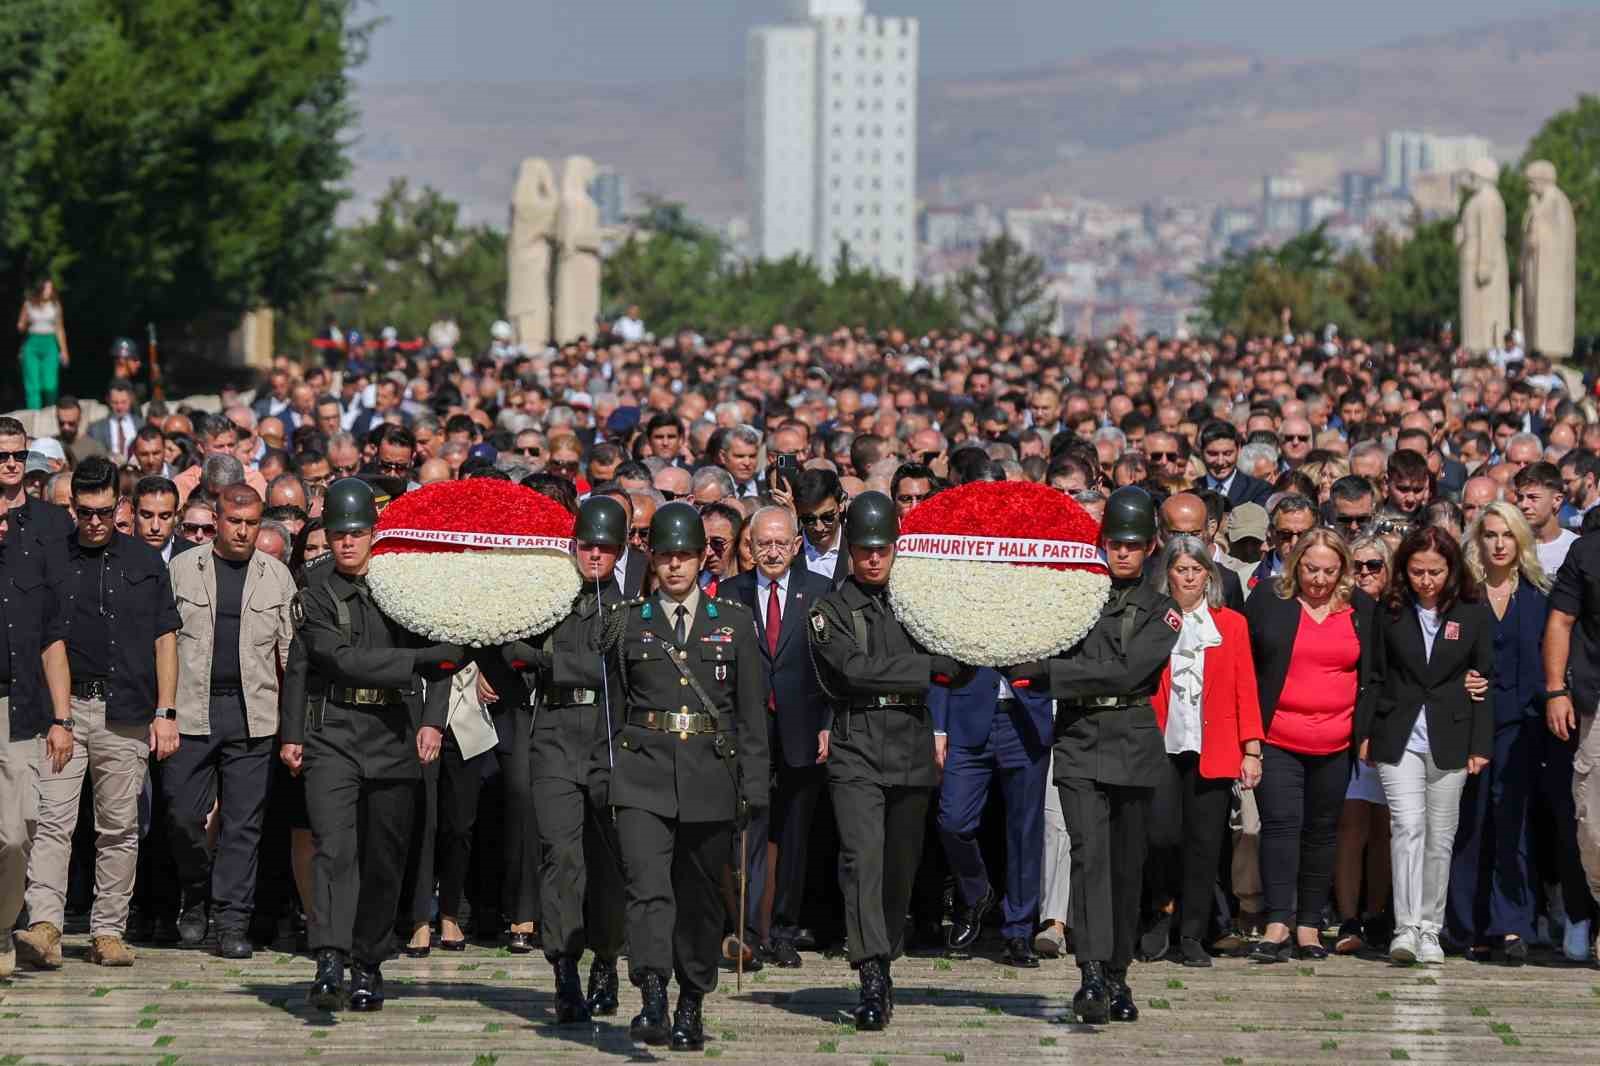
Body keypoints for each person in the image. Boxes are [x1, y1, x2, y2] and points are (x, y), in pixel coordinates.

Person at [1005, 486, 1181, 1024]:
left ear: (1151, 546)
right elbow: (1039, 647)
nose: (1122, 552)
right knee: (1088, 858)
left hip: (1130, 737)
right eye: (1114, 542)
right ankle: (1092, 977)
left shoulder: (1164, 609)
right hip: (1081, 739)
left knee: (1127, 867)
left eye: (1132, 543)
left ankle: (1120, 972)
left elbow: (1131, 673)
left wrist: (1055, 678)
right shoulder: (1077, 599)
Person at [280, 478, 457, 1011]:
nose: (347, 543)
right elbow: (314, 664)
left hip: (394, 731)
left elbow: (444, 655)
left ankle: (368, 962)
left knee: (385, 856)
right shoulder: (314, 591)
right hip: (333, 730)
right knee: (334, 847)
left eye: (357, 533)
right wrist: (293, 733)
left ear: (375, 534)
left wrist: (433, 719)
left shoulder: (401, 587)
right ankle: (330, 956)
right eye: (337, 534)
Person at [598, 501, 767, 1050]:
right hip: (643, 771)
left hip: (710, 774)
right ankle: (650, 990)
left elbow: (749, 715)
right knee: (647, 888)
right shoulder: (628, 621)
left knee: (698, 899)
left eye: (685, 557)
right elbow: (615, 704)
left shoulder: (734, 625)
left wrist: (755, 786)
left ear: (702, 560)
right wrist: (611, 772)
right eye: (666, 556)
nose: (674, 567)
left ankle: (691, 999)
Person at [14, 456, 181, 970]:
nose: (94, 522)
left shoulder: (145, 561)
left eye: (104, 511)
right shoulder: (51, 560)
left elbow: (165, 639)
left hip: (127, 709)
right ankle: (45, 925)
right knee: (52, 820)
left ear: (119, 506)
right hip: (65, 711)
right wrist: (59, 718)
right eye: (84, 512)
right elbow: (45, 640)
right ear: (72, 509)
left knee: (118, 826)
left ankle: (109, 931)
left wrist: (166, 711)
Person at [807, 490, 962, 1029]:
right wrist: (925, 669)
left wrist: (945, 662)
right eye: (865, 549)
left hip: (911, 742)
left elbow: (959, 664)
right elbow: (851, 670)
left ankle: (886, 950)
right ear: (850, 550)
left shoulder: (916, 602)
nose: (874, 558)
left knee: (899, 865)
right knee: (861, 859)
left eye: (884, 549)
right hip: (857, 743)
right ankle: (870, 969)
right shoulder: (830, 609)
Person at [498, 497, 629, 1023]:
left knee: (612, 862)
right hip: (552, 733)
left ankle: (606, 958)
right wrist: (531, 661)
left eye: (603, 547)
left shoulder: (625, 609)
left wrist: (546, 661)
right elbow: (508, 647)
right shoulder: (549, 600)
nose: (593, 554)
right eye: (585, 545)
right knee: (561, 858)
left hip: (608, 738)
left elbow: (602, 667)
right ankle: (565, 969)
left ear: (619, 551)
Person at [164, 484, 296, 958]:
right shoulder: (182, 569)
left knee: (244, 823)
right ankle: (196, 890)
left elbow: (290, 655)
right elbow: (160, 647)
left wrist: (293, 725)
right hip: (190, 707)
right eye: (234, 521)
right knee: (181, 815)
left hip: (253, 714)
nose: (242, 531)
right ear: (216, 520)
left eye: (251, 522)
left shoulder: (277, 577)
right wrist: (162, 713)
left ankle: (232, 921)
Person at [1244, 528, 1378, 962]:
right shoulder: (1268, 600)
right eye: (1310, 569)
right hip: (1278, 736)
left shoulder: (1362, 608)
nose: (1319, 580)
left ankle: (1309, 925)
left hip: (1336, 741)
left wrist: (1365, 733)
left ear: (1342, 571)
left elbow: (1375, 676)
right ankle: (1278, 920)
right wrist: (1248, 741)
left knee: (1322, 833)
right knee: (1281, 825)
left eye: (1329, 571)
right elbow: (1245, 670)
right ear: (1296, 562)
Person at [1362, 526, 1493, 965]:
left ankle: (1431, 928)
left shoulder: (1472, 611)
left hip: (1452, 735)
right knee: (1407, 827)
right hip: (1397, 734)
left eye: (1435, 571)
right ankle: (1405, 926)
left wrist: (1480, 744)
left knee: (1440, 836)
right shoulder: (1391, 609)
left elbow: (1484, 679)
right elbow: (1374, 674)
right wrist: (1363, 733)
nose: (1426, 580)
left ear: (1452, 569)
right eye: (1417, 571)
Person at [722, 506, 835, 969]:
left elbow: (833, 665)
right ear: (749, 546)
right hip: (749, 734)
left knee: (794, 836)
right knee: (748, 832)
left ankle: (785, 931)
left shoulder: (820, 591)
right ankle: (747, 933)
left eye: (780, 543)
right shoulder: (730, 594)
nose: (771, 552)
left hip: (802, 731)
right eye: (762, 543)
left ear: (794, 546)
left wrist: (828, 722)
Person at [1145, 536, 1263, 968]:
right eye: (1181, 569)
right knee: (1161, 835)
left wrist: (1252, 750)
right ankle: (1162, 911)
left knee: (1204, 843)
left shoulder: (1230, 624)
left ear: (1208, 576)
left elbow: (1245, 687)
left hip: (1215, 745)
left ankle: (1193, 932)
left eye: (1197, 569)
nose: (1190, 576)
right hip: (1162, 745)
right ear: (1169, 575)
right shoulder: (1153, 619)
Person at [1449, 503, 1549, 963]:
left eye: (1508, 535)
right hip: (1470, 722)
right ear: (1478, 540)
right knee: (1468, 823)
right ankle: (1465, 924)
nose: (1499, 543)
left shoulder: (1537, 594)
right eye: (1490, 534)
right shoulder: (1462, 596)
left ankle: (1511, 924)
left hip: (1522, 723)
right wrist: (1460, 679)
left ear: (1520, 541)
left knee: (1514, 824)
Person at [930, 656, 1055, 964]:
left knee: (1025, 831)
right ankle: (977, 895)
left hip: (1025, 717)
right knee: (953, 821)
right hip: (965, 715)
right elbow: (939, 652)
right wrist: (938, 725)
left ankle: (1018, 931)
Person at [0, 503, 72, 979]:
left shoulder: (32, 561)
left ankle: (2, 925)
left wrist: (62, 718)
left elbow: (52, 642)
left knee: (15, 835)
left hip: (19, 707)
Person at [1331, 534, 1394, 955]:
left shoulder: (1397, 612)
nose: (1366, 573)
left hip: (1390, 727)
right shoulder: (1343, 611)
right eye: (1358, 566)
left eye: (1375, 565)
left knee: (1386, 829)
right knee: (1352, 825)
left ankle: (1379, 912)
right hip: (1348, 729)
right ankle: (1348, 916)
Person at [16, 279, 69, 409]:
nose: (49, 291)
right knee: (33, 384)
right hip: (32, 343)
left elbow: (59, 328)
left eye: (51, 288)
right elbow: (20, 326)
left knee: (50, 384)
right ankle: (34, 412)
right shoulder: (29, 304)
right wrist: (24, 324)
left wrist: (64, 351)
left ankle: (51, 409)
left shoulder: (55, 305)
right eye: (46, 288)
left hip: (50, 343)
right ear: (40, 289)